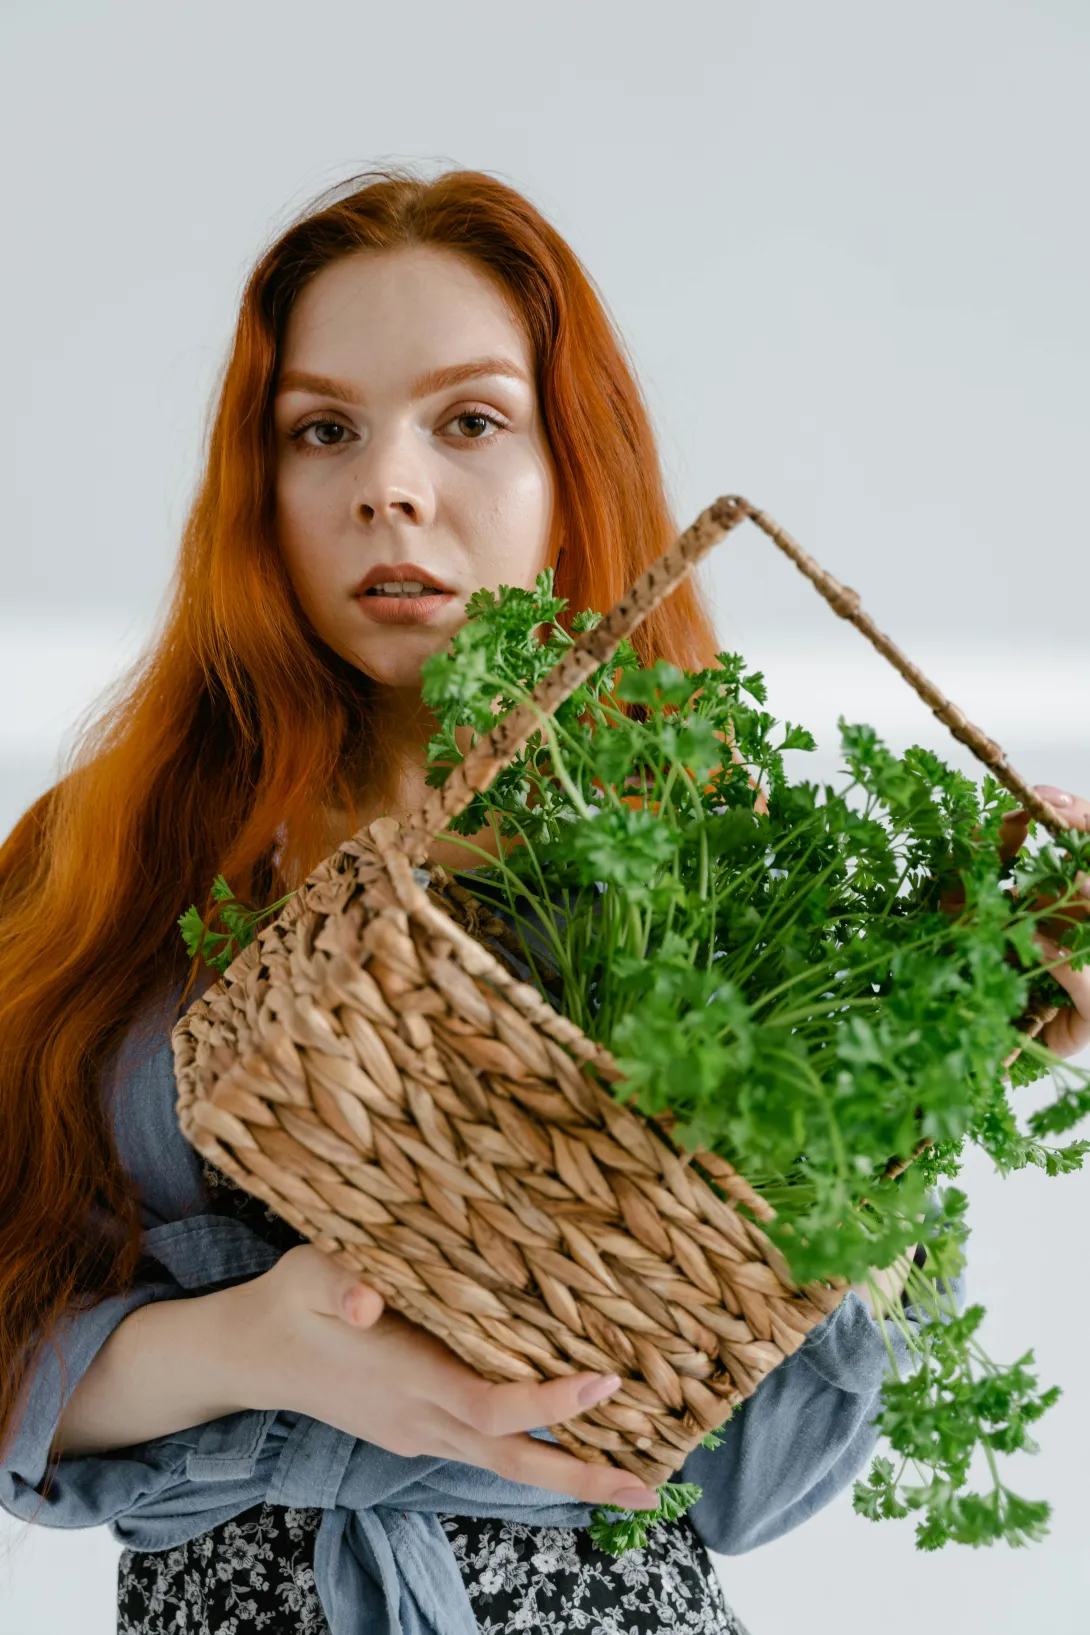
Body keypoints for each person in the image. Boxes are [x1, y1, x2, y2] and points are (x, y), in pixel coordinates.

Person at [1, 165, 1086, 1635]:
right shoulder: (95, 857)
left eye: (468, 420)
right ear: (255, 488)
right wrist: (252, 1344)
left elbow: (748, 1478)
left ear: (571, 464)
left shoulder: (720, 873)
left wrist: (933, 1062)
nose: (389, 482)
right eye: (322, 428)